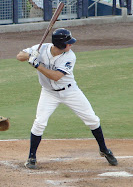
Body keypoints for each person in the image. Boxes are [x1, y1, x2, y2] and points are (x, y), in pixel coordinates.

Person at [17, 28, 118, 169]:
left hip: (70, 92)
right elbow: (19, 56)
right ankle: (31, 157)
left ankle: (104, 149)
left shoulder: (70, 56)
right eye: (68, 43)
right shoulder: (41, 48)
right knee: (39, 122)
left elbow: (56, 76)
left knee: (92, 119)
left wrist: (37, 65)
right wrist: (29, 55)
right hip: (49, 93)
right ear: (60, 44)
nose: (71, 45)